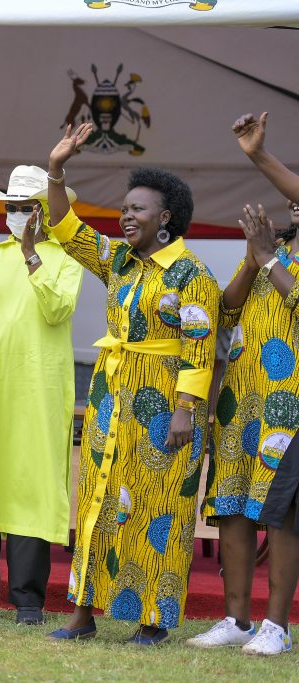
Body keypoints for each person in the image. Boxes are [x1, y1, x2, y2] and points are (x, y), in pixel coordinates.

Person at [44, 123, 220, 645]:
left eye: (137, 209)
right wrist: (56, 168)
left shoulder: (191, 275)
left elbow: (200, 347)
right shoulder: (118, 261)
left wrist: (186, 409)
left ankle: (153, 618)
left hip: (167, 403)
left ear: (165, 218)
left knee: (157, 507)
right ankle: (82, 612)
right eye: (123, 209)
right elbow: (65, 227)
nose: (125, 217)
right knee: (96, 500)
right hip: (110, 398)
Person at [187, 112, 299, 656]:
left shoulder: (279, 253)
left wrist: (271, 257)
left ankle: (277, 626)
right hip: (241, 401)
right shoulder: (271, 246)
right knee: (230, 504)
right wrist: (256, 260)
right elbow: (226, 312)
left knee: (280, 513)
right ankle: (236, 620)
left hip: (290, 406)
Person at [0, 166, 83, 625]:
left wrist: (30, 256)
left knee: (34, 484)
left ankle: (28, 599)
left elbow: (57, 309)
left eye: (23, 208)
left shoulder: (65, 258)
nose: (13, 215)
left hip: (39, 389)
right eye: (9, 207)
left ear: (44, 213)